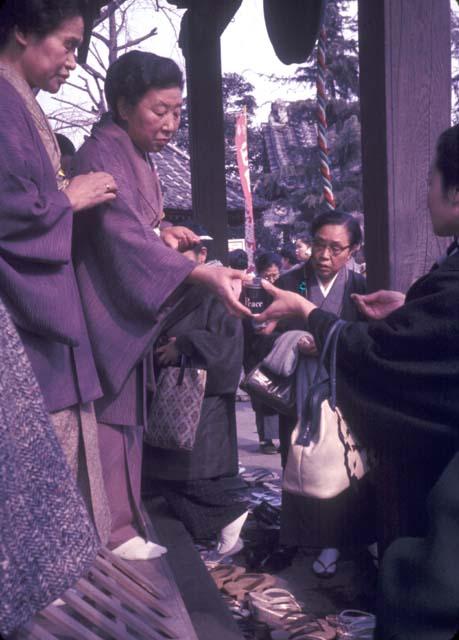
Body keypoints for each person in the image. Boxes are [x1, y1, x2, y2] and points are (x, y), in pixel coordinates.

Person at [256, 126, 459, 636]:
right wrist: (407, 312)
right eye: (319, 245)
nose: (325, 256)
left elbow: (389, 356)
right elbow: (423, 334)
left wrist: (311, 318)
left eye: (432, 177)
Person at [72, 50, 249, 560]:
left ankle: (122, 526)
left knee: (127, 418)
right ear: (124, 105)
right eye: (160, 111)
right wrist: (197, 270)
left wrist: (164, 234)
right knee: (110, 416)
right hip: (103, 307)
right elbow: (118, 237)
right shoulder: (100, 154)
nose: (171, 123)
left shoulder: (133, 154)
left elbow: (138, 230)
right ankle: (112, 531)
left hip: (124, 306)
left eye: (178, 112)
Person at [0, 0, 119, 543]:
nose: (74, 60)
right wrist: (67, 200)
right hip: (23, 324)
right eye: (68, 44)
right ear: (22, 30)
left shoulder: (20, 102)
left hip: (40, 310)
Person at [275, 211, 375, 578]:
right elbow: (262, 330)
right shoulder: (289, 282)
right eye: (319, 244)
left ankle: (335, 539)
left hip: (341, 389)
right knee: (297, 459)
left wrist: (333, 344)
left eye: (336, 248)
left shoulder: (361, 287)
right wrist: (292, 340)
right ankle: (300, 535)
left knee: (337, 459)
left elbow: (369, 341)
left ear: (352, 250)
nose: (324, 255)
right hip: (299, 383)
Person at [143, 229, 248, 559]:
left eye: (184, 259)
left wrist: (185, 344)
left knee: (196, 479)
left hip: (203, 403)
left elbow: (230, 350)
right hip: (168, 400)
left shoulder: (217, 294)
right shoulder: (166, 290)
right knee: (165, 477)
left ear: (202, 258)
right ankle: (209, 532)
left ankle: (233, 519)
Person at [243, 251, 283, 454]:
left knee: (282, 395)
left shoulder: (285, 289)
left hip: (278, 350)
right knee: (261, 394)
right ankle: (265, 439)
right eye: (268, 276)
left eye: (275, 275)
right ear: (259, 273)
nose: (272, 280)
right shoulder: (250, 290)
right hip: (255, 351)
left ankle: (283, 437)